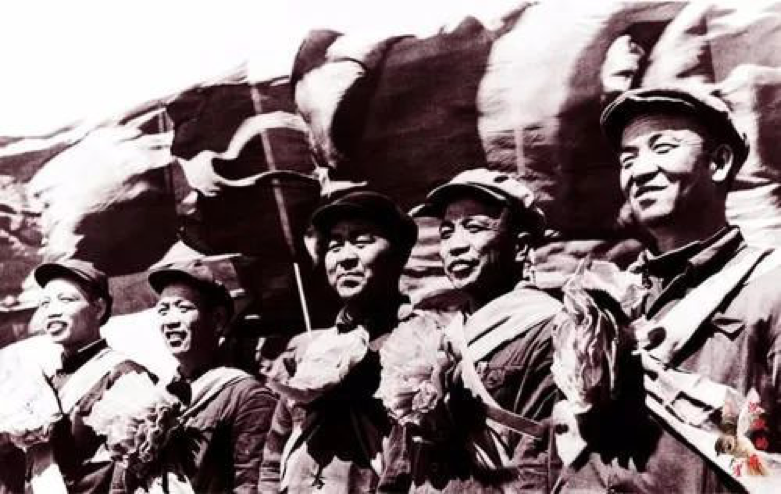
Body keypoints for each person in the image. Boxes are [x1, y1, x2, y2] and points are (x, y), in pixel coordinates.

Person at [553, 87, 781, 493]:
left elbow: (761, 455)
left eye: (663, 148)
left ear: (719, 162)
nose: (639, 171)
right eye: (628, 159)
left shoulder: (769, 289)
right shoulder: (607, 299)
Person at [259, 191, 444, 493]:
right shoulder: (313, 350)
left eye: (362, 242)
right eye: (335, 246)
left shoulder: (422, 342)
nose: (345, 257)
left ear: (399, 254)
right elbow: (273, 454)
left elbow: (412, 464)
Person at [402, 168, 562, 492]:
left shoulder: (549, 331)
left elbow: (540, 463)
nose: (455, 246)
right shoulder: (443, 338)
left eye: (474, 228)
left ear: (520, 247)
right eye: (446, 233)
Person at [121, 260, 277, 493]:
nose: (170, 321)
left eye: (183, 308)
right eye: (163, 311)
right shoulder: (158, 394)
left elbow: (252, 484)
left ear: (217, 319)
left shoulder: (247, 396)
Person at [20, 259, 147, 493]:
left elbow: (132, 474)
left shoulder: (124, 376)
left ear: (98, 308)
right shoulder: (46, 383)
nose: (52, 311)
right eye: (45, 303)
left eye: (66, 300)